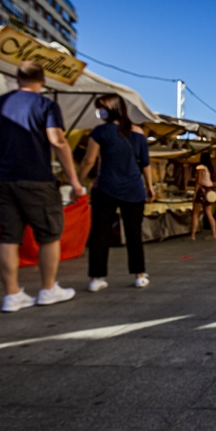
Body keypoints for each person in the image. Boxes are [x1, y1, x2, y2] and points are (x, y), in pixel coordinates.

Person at [0, 61, 83, 313]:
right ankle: (48, 289)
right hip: (37, 178)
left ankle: (12, 294)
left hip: (5, 179)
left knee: (8, 237)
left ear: (17, 79)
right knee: (49, 235)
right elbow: (57, 141)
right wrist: (74, 180)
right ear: (44, 81)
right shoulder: (46, 105)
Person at [77, 94, 154, 291]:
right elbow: (145, 164)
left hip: (105, 188)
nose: (100, 112)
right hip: (134, 190)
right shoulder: (139, 133)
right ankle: (139, 275)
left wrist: (77, 180)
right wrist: (150, 186)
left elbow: (88, 161)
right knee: (133, 233)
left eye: (101, 108)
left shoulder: (100, 132)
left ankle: (96, 277)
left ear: (111, 109)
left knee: (100, 234)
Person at [189, 153, 216, 241]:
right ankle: (214, 234)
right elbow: (214, 182)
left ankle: (193, 235)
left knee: (195, 213)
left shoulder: (200, 167)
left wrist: (195, 193)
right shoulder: (210, 169)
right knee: (209, 213)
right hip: (209, 192)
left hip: (202, 191)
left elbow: (198, 180)